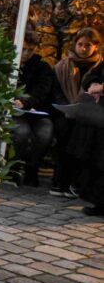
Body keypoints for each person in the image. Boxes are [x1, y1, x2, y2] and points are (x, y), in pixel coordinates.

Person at [51, 27, 104, 198]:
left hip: (88, 114)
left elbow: (94, 80)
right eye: (80, 44)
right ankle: (59, 181)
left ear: (95, 46)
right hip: (64, 111)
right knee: (63, 129)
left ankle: (75, 183)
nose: (83, 48)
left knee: (84, 135)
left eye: (87, 45)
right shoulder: (63, 66)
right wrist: (68, 107)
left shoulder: (99, 64)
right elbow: (55, 91)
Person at [11, 32, 58, 188]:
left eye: (30, 50)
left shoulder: (42, 67)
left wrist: (26, 102)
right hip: (14, 112)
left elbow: (42, 90)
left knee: (45, 132)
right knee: (21, 132)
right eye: (23, 49)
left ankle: (32, 168)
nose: (25, 54)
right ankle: (14, 168)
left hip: (36, 111)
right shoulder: (9, 63)